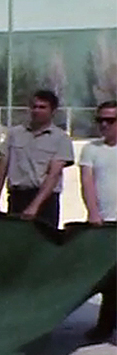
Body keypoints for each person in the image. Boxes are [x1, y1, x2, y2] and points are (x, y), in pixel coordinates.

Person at [0, 90, 74, 228]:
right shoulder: (14, 134)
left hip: (46, 200)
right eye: (34, 106)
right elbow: (2, 166)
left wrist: (35, 206)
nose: (36, 110)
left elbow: (53, 175)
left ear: (53, 111)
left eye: (42, 107)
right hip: (17, 197)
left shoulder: (61, 138)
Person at [79, 100, 117, 341]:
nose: (104, 125)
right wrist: (93, 213)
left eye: (110, 120)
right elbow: (87, 182)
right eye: (100, 120)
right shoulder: (91, 150)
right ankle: (104, 327)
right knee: (108, 280)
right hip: (104, 224)